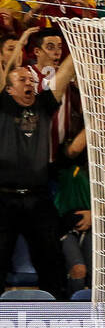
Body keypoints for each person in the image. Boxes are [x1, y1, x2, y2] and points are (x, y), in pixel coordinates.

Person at [1, 59, 75, 299]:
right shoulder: (2, 105)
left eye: (31, 79)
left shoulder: (43, 105)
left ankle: (58, 319)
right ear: (9, 89)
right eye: (21, 80)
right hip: (3, 199)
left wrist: (78, 39)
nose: (29, 82)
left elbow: (64, 75)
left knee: (52, 261)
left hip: (38, 197)